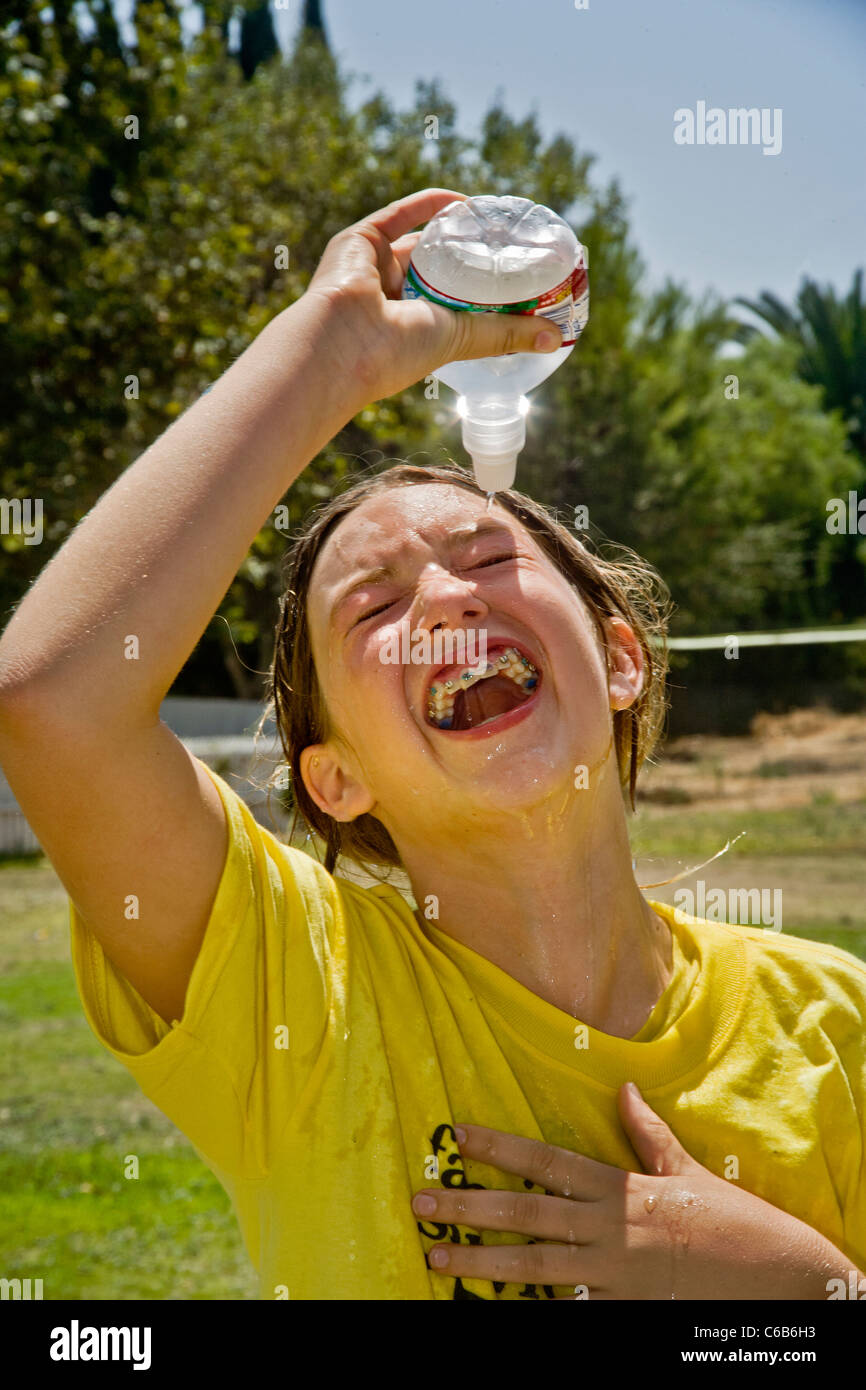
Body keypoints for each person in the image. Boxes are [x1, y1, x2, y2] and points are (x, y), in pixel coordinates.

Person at [0, 189, 863, 1302]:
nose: (448, 599)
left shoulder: (832, 1024)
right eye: (371, 608)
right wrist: (332, 354)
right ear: (336, 777)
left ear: (616, 659)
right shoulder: (300, 991)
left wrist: (806, 1285)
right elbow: (53, 701)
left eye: (490, 557)